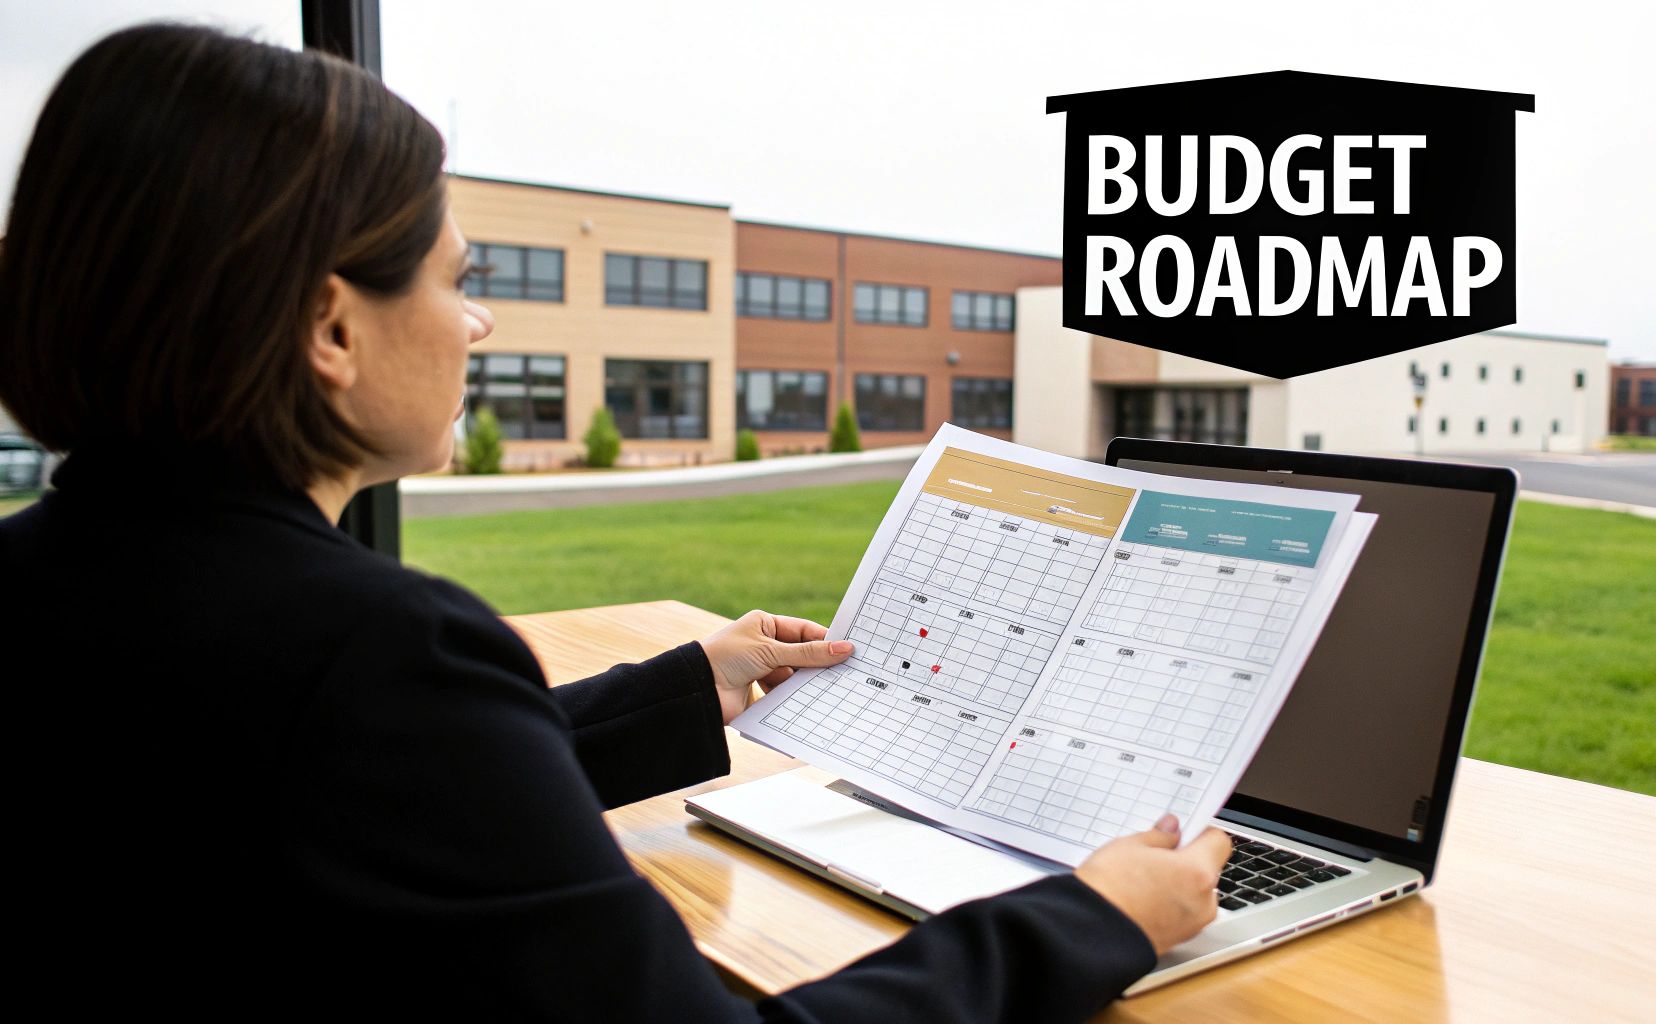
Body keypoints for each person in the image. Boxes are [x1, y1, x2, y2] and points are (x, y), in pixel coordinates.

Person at [0, 24, 1231, 1020]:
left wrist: (682, 688)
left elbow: (365, 794)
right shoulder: (374, 652)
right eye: (456, 280)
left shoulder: (60, 576)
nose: (478, 327)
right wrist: (1095, 917)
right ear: (330, 329)